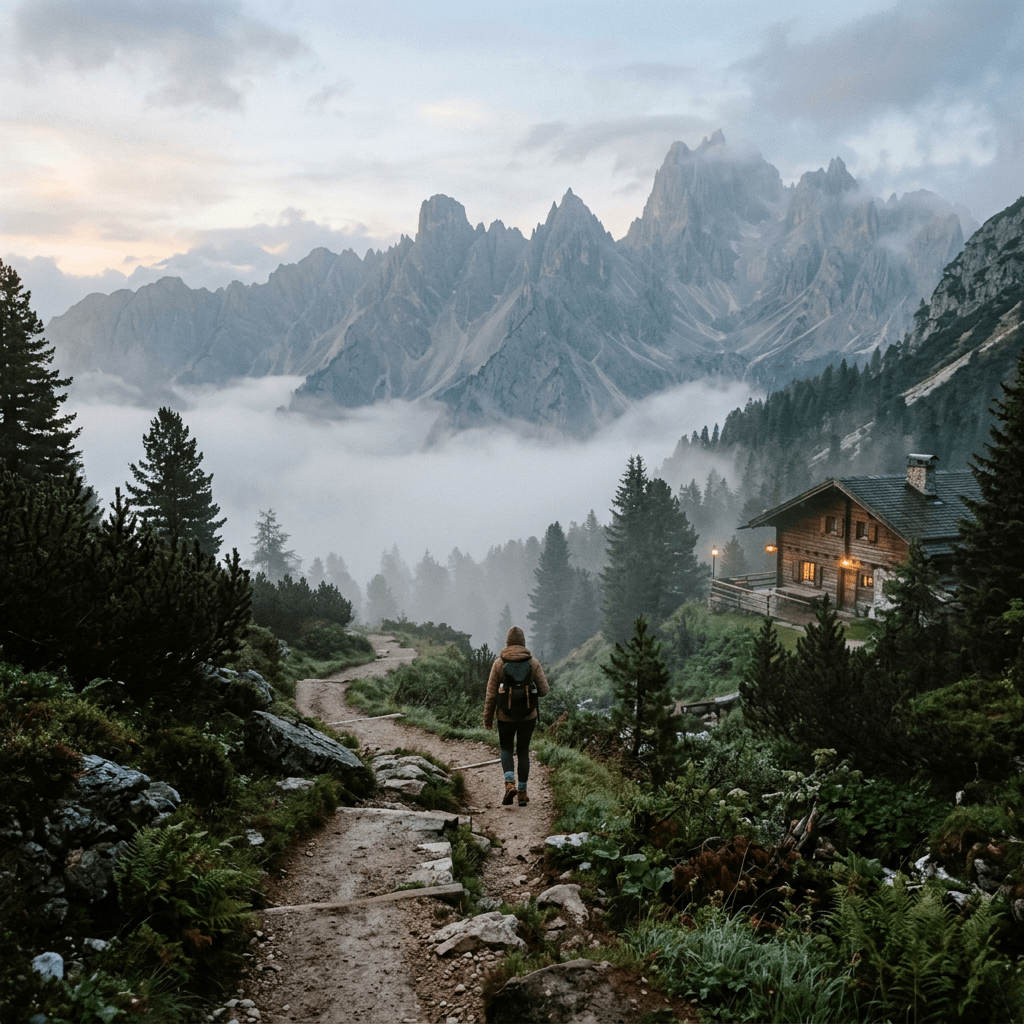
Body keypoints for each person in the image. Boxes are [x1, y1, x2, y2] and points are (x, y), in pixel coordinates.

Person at [483, 625, 549, 807]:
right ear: (523, 642)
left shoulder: (499, 663)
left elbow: (491, 695)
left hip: (505, 716)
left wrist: (487, 719)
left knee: (506, 749)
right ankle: (522, 793)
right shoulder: (533, 662)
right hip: (528, 716)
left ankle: (509, 783)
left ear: (507, 642)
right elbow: (544, 690)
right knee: (523, 751)